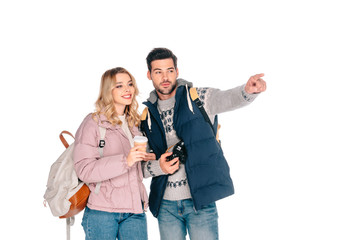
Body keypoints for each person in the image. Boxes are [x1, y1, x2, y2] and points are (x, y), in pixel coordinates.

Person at [140, 48, 266, 240]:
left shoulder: (197, 97)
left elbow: (227, 99)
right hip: (166, 206)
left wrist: (248, 91)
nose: (165, 77)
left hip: (200, 201)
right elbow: (140, 167)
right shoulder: (145, 117)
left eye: (170, 70)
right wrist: (160, 166)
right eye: (158, 72)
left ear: (177, 71)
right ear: (149, 74)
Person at [73, 67, 155, 240]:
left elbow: (136, 171)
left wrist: (151, 161)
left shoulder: (135, 123)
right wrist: (126, 160)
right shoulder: (93, 123)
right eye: (119, 86)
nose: (127, 89)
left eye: (130, 84)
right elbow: (85, 170)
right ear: (108, 90)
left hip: (135, 211)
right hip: (102, 213)